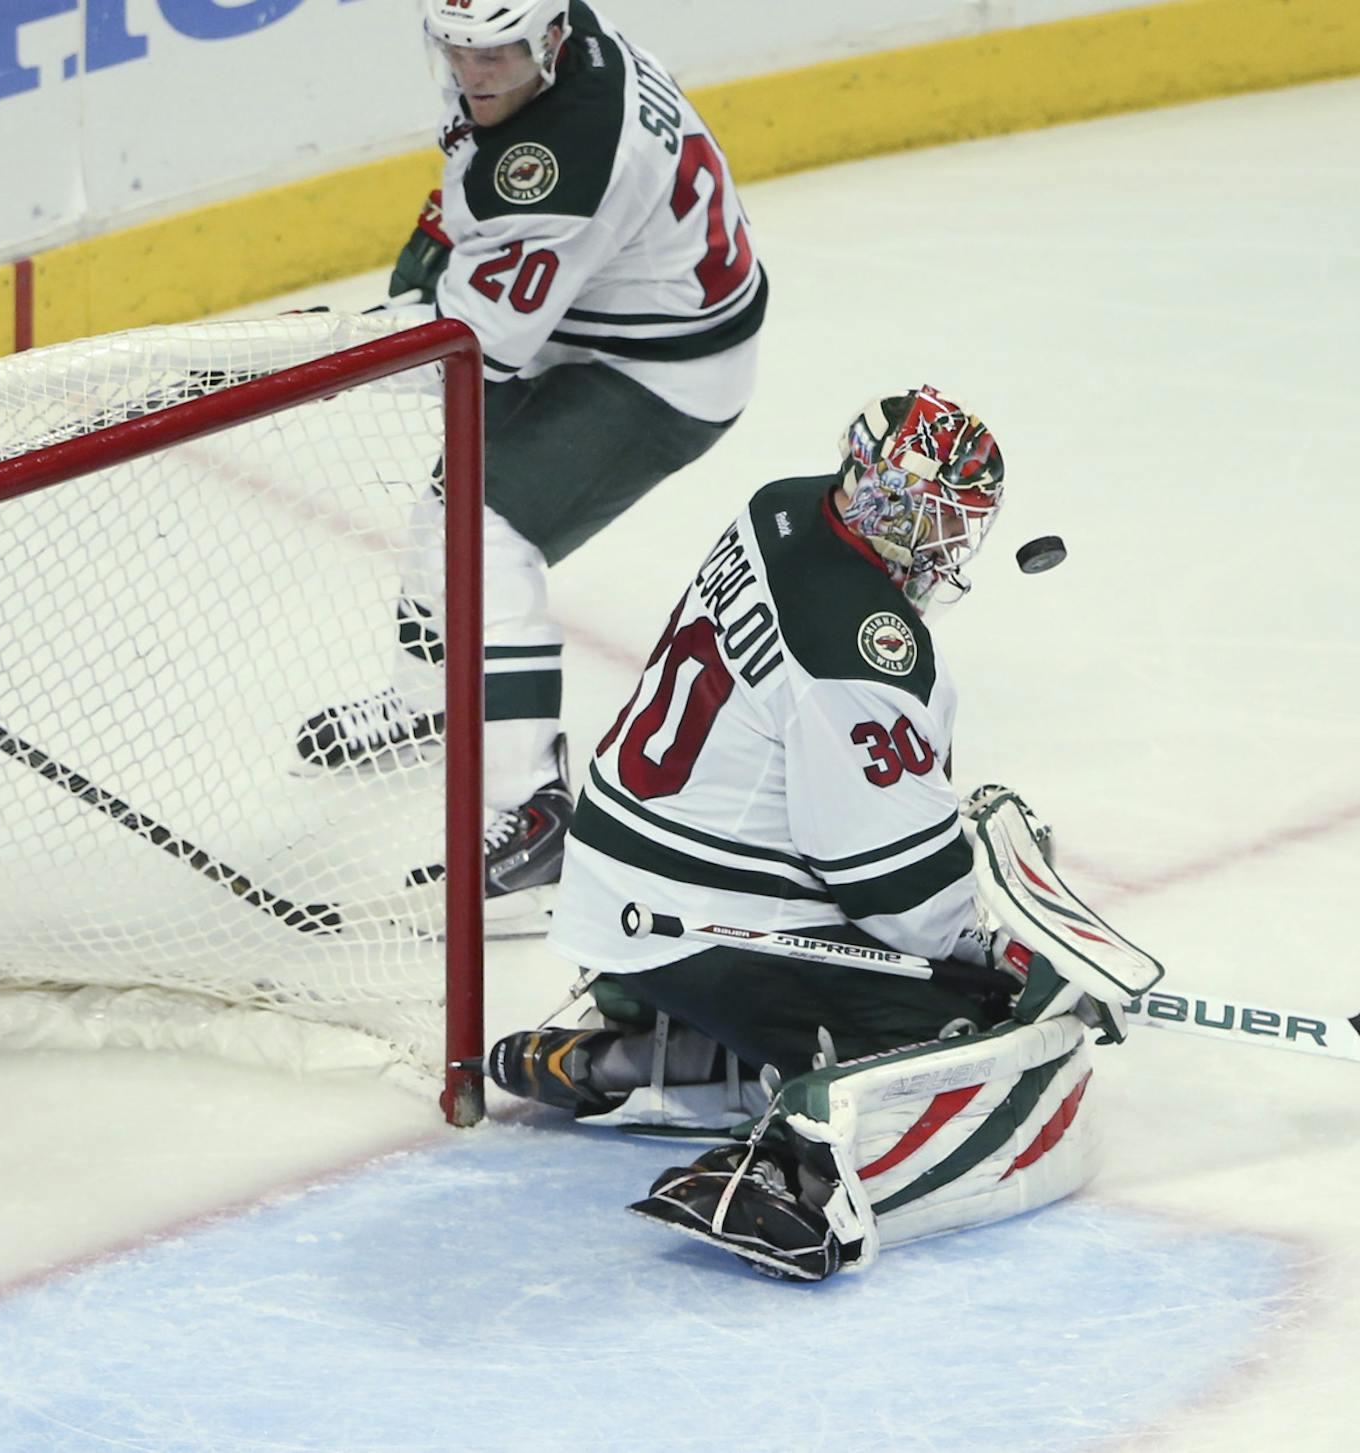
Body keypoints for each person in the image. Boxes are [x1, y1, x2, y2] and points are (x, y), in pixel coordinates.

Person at [487, 387, 1111, 1281]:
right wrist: (997, 951)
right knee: (971, 1021)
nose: (946, 547)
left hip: (620, 892)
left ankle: (644, 1049)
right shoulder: (862, 643)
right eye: (939, 520)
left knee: (897, 952)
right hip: (701, 930)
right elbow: (899, 898)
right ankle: (789, 1168)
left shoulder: (781, 505)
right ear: (891, 501)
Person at [294, 0, 765, 933]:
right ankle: (433, 700)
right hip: (608, 309)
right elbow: (480, 176)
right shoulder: (557, 39)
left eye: (499, 55)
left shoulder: (565, 162)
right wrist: (442, 239)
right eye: (459, 51)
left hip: (662, 368)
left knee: (480, 532)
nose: (476, 75)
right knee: (453, 502)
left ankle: (532, 830)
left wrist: (319, 355)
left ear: (548, 41)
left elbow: (472, 348)